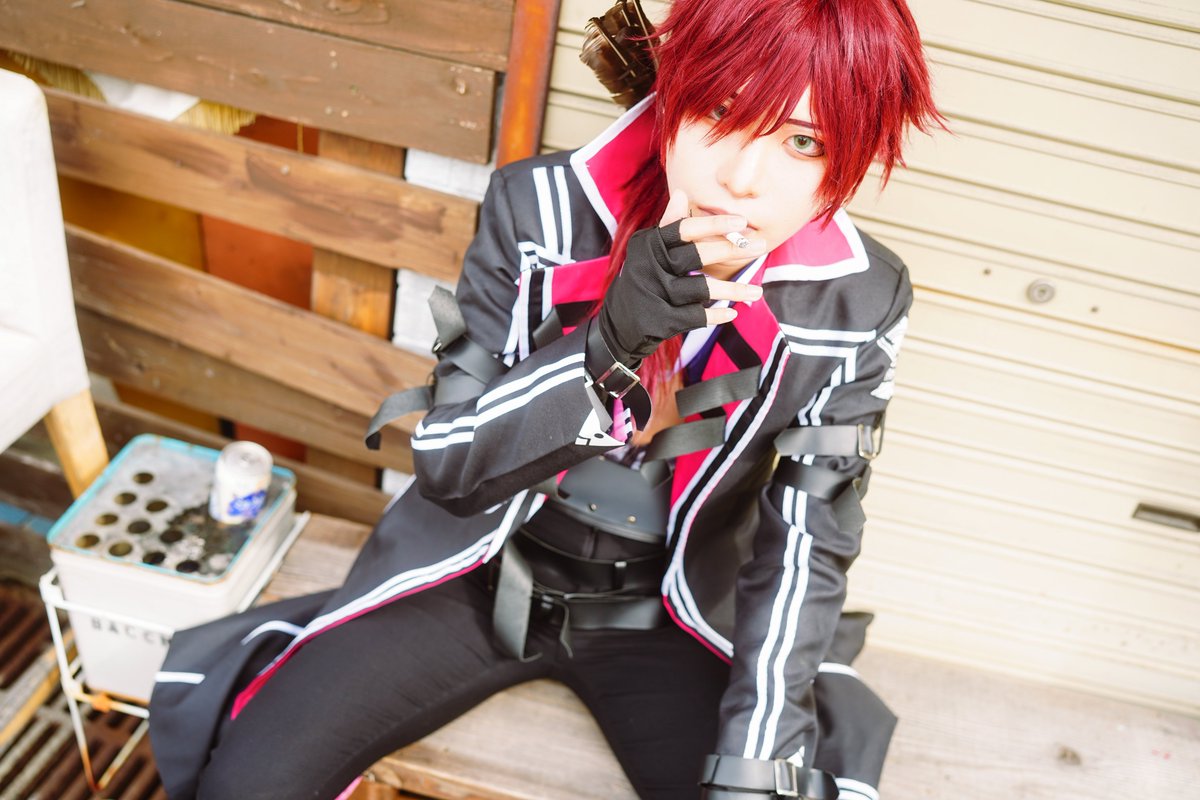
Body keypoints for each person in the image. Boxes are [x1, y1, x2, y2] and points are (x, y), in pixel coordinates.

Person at [148, 0, 943, 797]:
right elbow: (449, 464)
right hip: (477, 573)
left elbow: (808, 540)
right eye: (720, 110)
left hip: (666, 616)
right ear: (673, 93)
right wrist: (606, 345)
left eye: (804, 142)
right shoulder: (539, 208)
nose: (742, 178)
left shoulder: (857, 301)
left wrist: (754, 764)